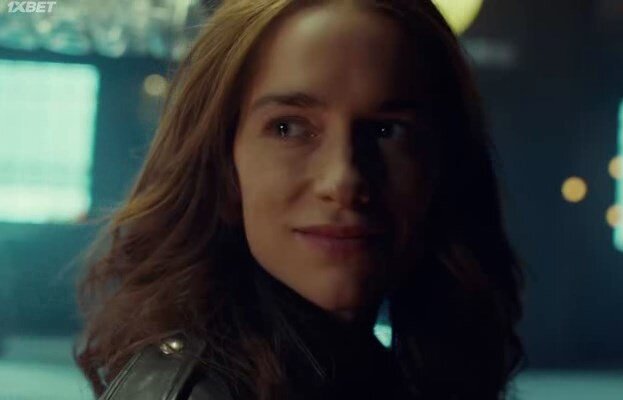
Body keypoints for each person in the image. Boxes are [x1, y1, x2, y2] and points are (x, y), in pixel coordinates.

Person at [77, 0, 523, 398]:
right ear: (224, 170)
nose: (343, 179)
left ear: (443, 165)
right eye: (288, 127)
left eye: (387, 130)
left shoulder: (392, 370)